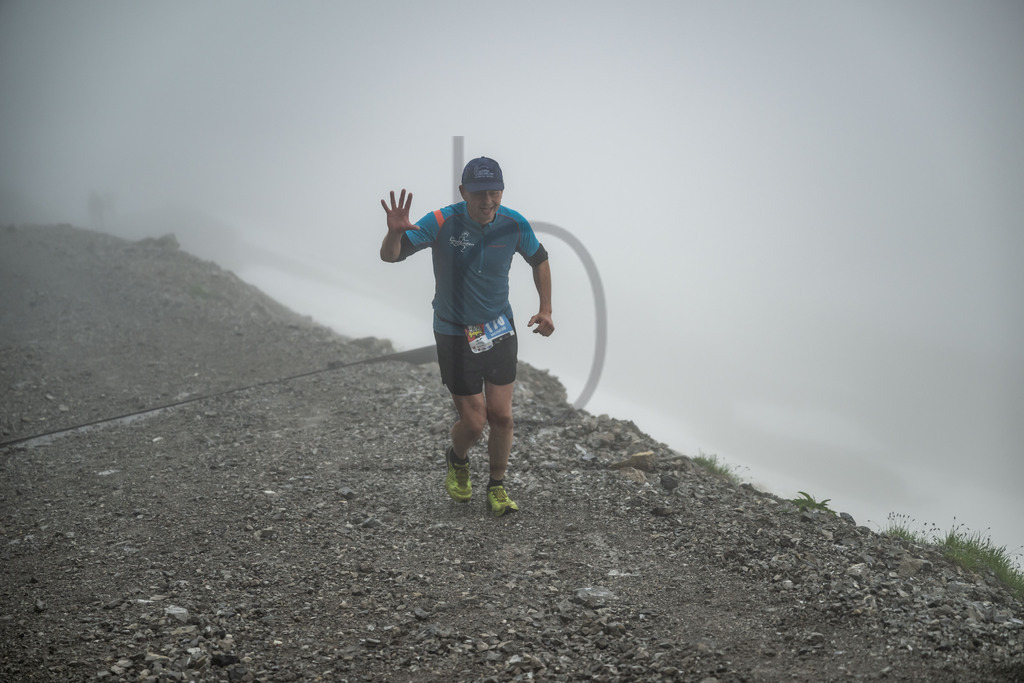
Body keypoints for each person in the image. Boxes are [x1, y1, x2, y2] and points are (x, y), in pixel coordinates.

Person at [380, 157, 554, 516]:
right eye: (479, 194)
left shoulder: (514, 223)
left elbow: (539, 259)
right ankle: (457, 458)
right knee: (474, 423)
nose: (487, 201)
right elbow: (390, 257)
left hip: (498, 327)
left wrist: (546, 308)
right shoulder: (441, 221)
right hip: (454, 332)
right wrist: (395, 233)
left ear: (502, 191)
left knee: (502, 416)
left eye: (494, 192)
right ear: (463, 192)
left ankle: (497, 486)